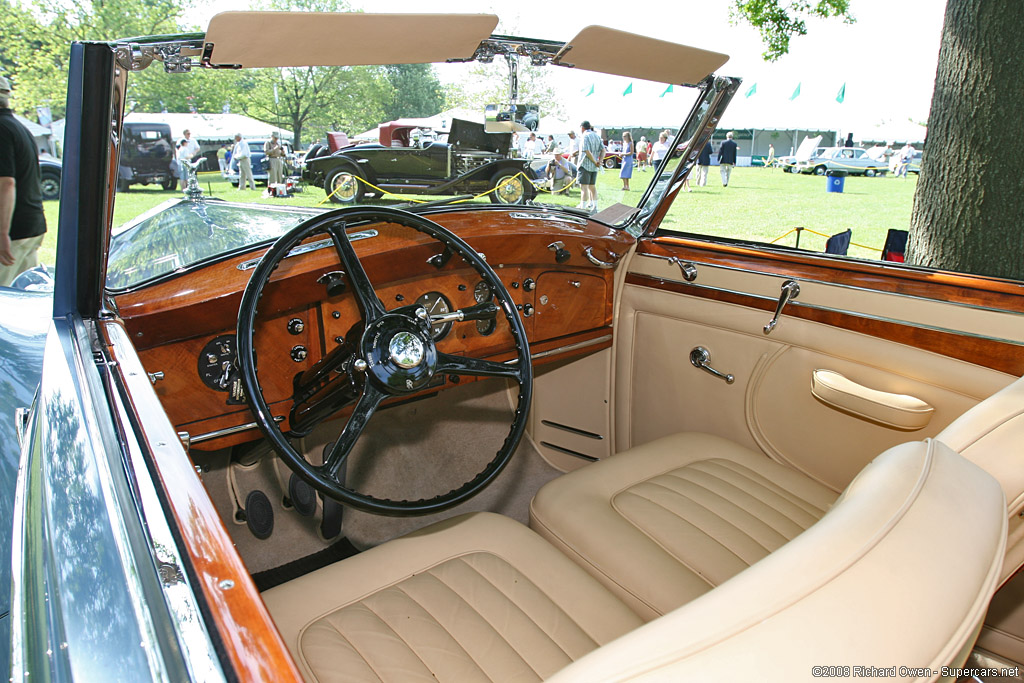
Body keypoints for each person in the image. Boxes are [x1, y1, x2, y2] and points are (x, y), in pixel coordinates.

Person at [0, 75, 47, 287]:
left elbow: (6, 183)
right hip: (31, 226)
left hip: (13, 232)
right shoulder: (17, 127)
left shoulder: (2, 129)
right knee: (21, 298)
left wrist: (2, 233)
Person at [577, 120, 603, 212]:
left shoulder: (585, 136)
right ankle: (595, 207)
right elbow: (603, 150)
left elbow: (587, 151)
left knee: (584, 187)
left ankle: (582, 207)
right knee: (592, 186)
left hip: (585, 165)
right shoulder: (597, 136)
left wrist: (595, 161)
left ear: (582, 127)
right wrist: (599, 161)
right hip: (594, 167)